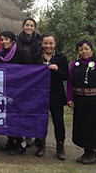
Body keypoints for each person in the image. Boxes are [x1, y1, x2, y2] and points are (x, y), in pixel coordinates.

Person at [67, 39, 96, 165]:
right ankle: (86, 152)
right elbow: (70, 82)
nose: (84, 51)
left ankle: (94, 154)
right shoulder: (74, 64)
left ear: (91, 50)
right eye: (81, 49)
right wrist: (70, 98)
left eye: (86, 49)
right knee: (83, 127)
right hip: (80, 102)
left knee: (94, 127)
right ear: (78, 51)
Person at [33, 32, 69, 160]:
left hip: (56, 95)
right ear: (41, 44)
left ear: (55, 44)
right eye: (45, 43)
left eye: (51, 43)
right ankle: (40, 146)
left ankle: (60, 147)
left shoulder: (61, 57)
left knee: (58, 122)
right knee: (40, 121)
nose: (48, 46)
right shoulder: (36, 57)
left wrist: (57, 70)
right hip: (39, 95)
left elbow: (66, 75)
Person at [0, 31, 32, 155]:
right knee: (7, 117)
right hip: (5, 90)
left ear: (13, 40)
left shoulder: (21, 53)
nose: (4, 42)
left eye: (7, 39)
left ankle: (21, 144)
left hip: (19, 91)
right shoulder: (1, 54)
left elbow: (30, 71)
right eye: (2, 40)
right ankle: (10, 140)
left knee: (16, 117)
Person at [16, 17, 41, 147]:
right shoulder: (17, 40)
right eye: (27, 25)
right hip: (21, 77)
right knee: (21, 107)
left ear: (34, 27)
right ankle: (22, 134)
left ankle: (32, 134)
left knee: (33, 107)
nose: (29, 28)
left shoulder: (39, 40)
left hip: (35, 77)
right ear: (23, 26)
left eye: (31, 26)